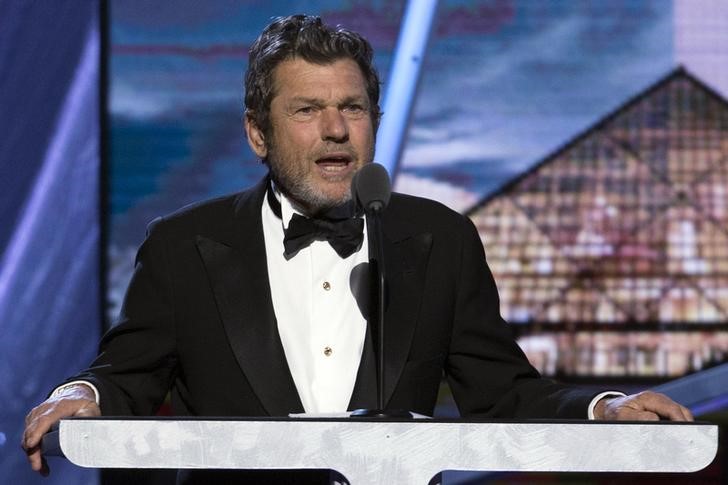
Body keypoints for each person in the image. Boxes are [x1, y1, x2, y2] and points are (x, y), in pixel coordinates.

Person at [23, 13, 692, 482]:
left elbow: (503, 390)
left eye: (353, 108)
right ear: (258, 133)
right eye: (308, 110)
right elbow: (129, 373)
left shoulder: (438, 239)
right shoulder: (182, 246)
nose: (337, 130)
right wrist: (84, 392)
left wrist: (605, 407)